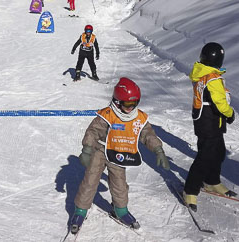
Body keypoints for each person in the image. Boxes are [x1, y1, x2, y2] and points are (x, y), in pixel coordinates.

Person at [69, 77, 170, 234]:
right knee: (90, 181)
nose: (131, 107)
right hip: (100, 151)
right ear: (117, 101)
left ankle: (120, 210)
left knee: (119, 184)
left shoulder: (139, 118)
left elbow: (148, 134)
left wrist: (159, 150)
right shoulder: (108, 114)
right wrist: (87, 149)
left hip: (118, 153)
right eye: (127, 104)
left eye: (134, 103)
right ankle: (80, 211)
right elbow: (93, 131)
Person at [183, 42, 236, 212]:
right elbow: (220, 102)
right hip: (209, 122)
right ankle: (190, 190)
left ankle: (212, 181)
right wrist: (230, 113)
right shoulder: (212, 78)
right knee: (205, 157)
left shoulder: (202, 74)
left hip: (206, 121)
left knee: (218, 152)